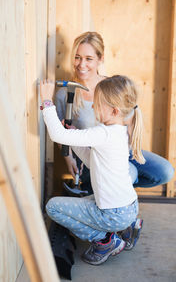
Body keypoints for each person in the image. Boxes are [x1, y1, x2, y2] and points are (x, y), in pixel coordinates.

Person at [40, 75, 144, 265]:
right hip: (128, 208)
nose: (94, 107)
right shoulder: (119, 131)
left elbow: (56, 134)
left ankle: (104, 241)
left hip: (113, 213)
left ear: (113, 110)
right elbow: (91, 161)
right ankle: (127, 228)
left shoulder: (103, 133)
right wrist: (71, 135)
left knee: (53, 207)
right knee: (86, 202)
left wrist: (47, 102)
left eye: (97, 103)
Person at [55, 31, 174, 193]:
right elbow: (61, 131)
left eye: (89, 59)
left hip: (119, 150)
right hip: (92, 158)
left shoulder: (111, 88)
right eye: (77, 57)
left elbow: (130, 117)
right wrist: (68, 158)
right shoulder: (65, 94)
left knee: (164, 171)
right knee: (128, 174)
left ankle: (107, 189)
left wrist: (129, 150)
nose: (81, 64)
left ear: (100, 59)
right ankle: (108, 188)